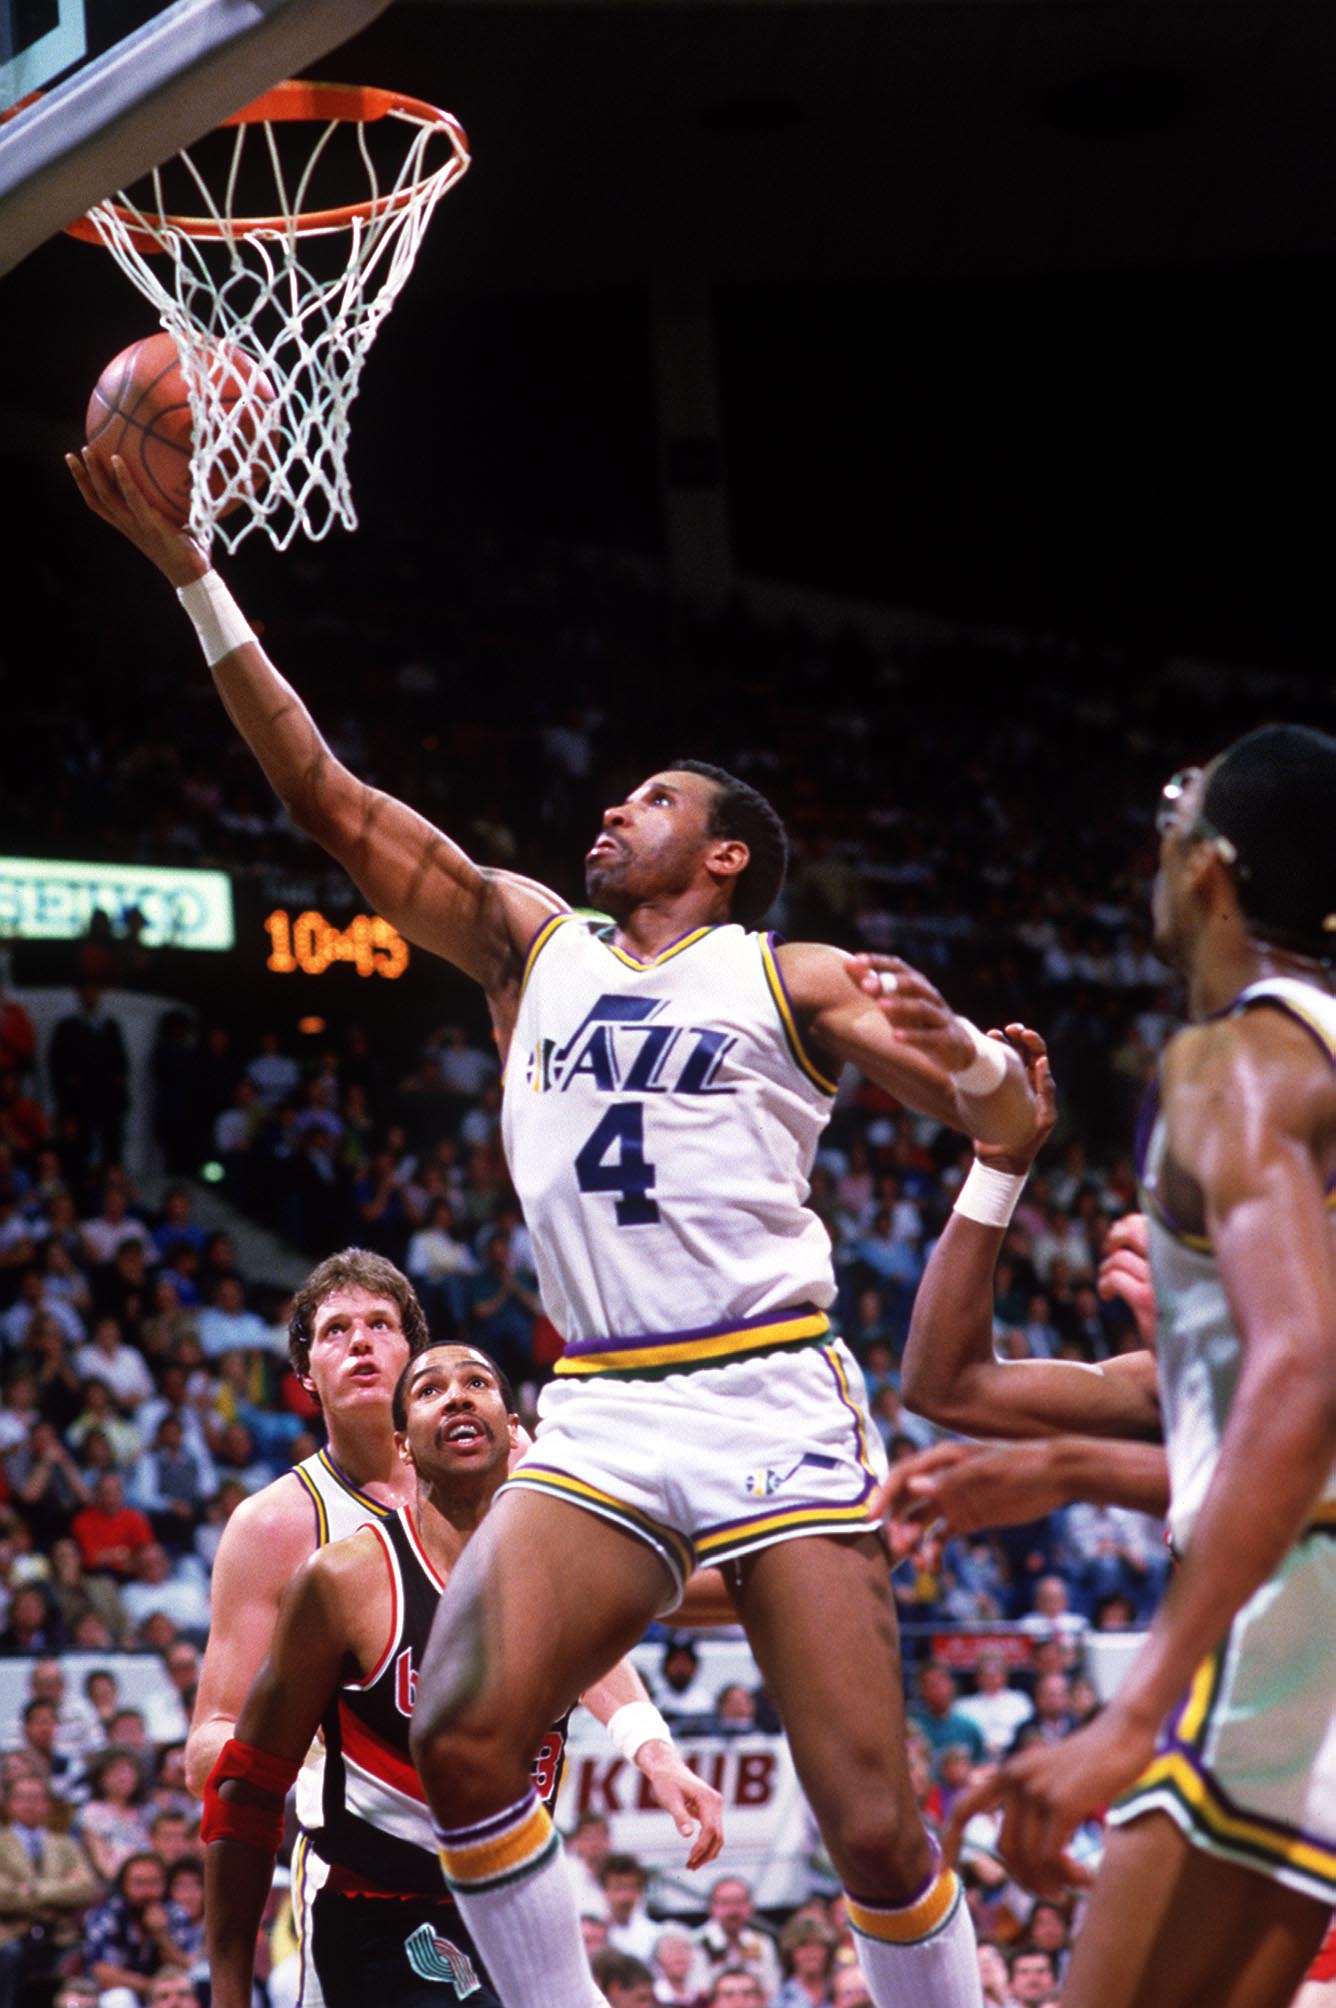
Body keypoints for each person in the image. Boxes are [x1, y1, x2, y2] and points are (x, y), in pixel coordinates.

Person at [71, 447, 1044, 2008]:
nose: (614, 805)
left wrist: (992, 1078)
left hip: (768, 1392)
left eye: (654, 800)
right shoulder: (533, 944)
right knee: (462, 1734)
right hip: (597, 1405)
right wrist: (194, 572)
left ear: (725, 855)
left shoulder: (783, 973)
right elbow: (325, 800)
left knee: (870, 1826)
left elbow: (988, 1113)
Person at [936, 728, 1336, 2008]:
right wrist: (1083, 1462)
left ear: (1210, 865)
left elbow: (1306, 1379)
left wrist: (1128, 1712)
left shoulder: (1240, 1059)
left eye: (1174, 811)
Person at [200, 1341, 721, 2008]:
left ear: (513, 1430)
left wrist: (657, 1753)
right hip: (376, 1908)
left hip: (511, 1900)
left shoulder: (564, 1574)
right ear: (403, 1446)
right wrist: (228, 1990)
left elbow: (700, 1599)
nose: (456, 1397)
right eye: (429, 1390)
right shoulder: (345, 1581)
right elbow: (248, 1788)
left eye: (476, 1382)